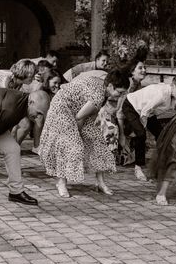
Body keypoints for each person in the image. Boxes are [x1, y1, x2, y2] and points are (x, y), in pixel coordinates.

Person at [39, 70, 131, 198]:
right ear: (110, 86)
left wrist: (90, 133)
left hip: (78, 109)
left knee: (97, 141)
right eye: (119, 92)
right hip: (62, 109)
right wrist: (76, 136)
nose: (119, 96)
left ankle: (100, 183)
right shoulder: (98, 96)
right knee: (72, 146)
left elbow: (88, 114)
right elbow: (79, 117)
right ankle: (61, 182)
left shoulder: (103, 87)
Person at [121, 75, 176, 181]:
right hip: (132, 106)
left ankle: (163, 166)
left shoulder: (174, 95)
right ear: (172, 85)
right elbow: (145, 111)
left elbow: (172, 111)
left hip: (148, 112)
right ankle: (138, 167)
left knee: (162, 135)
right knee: (141, 134)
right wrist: (142, 128)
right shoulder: (162, 95)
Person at [116, 60, 147, 165]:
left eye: (144, 68)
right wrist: (121, 135)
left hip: (127, 120)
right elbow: (119, 113)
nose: (144, 70)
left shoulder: (138, 84)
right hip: (115, 118)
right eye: (140, 68)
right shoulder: (128, 85)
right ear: (132, 72)